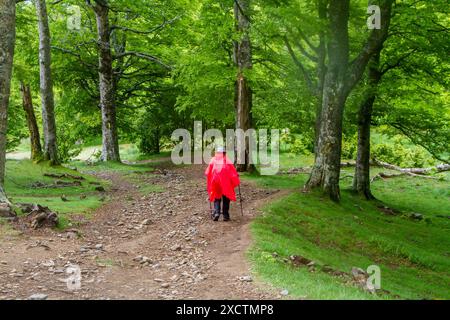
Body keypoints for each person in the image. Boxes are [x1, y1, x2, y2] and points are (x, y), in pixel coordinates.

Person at [205, 146, 240, 221]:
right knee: (226, 197)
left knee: (217, 196)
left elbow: (207, 172)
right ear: (224, 153)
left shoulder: (213, 160)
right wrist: (236, 175)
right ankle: (225, 215)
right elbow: (232, 172)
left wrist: (209, 177)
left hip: (216, 181)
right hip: (225, 182)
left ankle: (217, 212)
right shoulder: (227, 160)